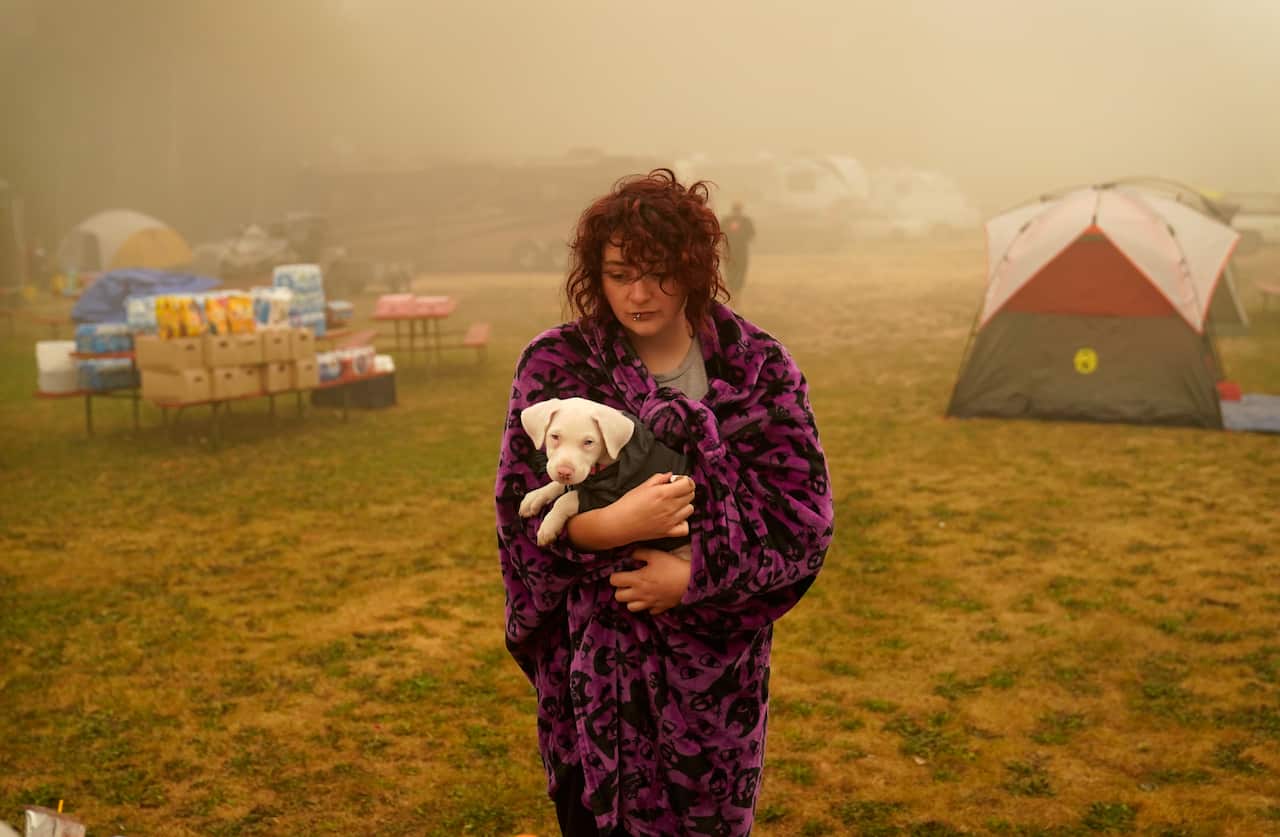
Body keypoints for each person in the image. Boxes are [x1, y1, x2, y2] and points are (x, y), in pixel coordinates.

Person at [495, 169, 833, 837]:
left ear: (696, 267)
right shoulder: (557, 365)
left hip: (713, 689)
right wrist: (605, 526)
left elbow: (803, 521)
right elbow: (517, 511)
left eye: (658, 271)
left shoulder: (758, 368)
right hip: (595, 683)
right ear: (597, 273)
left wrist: (694, 575)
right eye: (620, 272)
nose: (639, 292)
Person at [720, 201, 755, 300]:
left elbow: (751, 234)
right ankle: (733, 290)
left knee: (739, 271)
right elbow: (721, 233)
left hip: (738, 251)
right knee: (731, 272)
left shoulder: (745, 221)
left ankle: (736, 290)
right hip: (731, 251)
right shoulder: (728, 220)